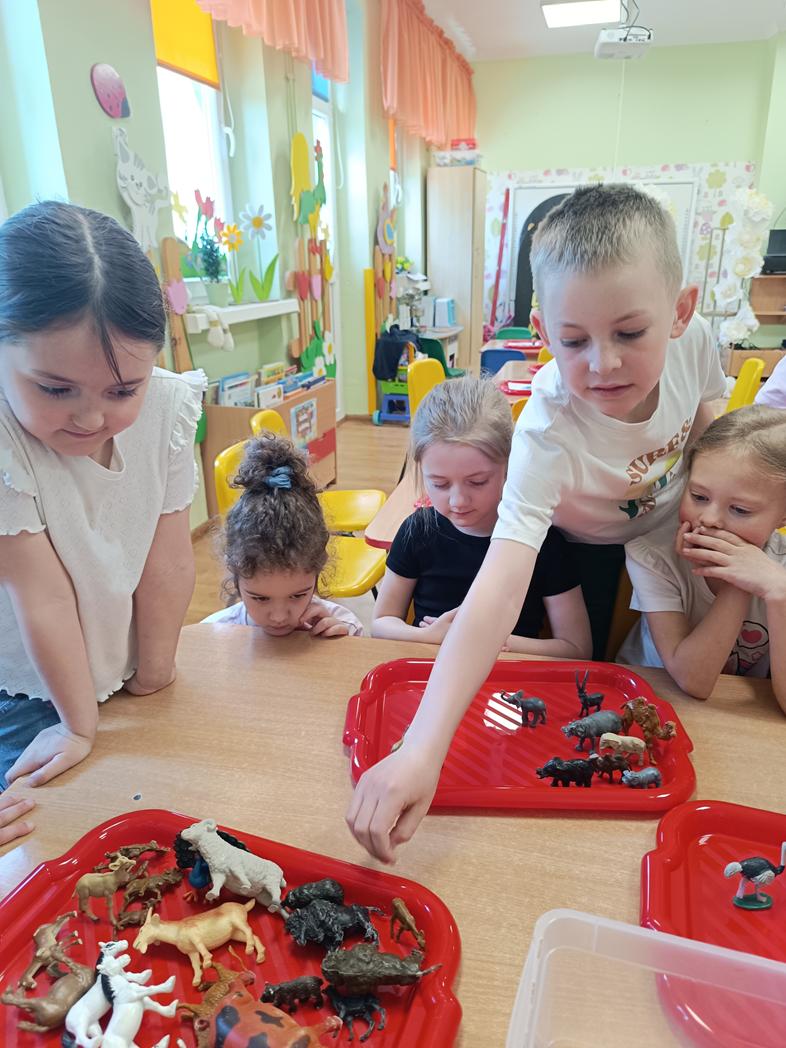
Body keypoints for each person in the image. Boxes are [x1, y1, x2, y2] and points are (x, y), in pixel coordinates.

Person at [346, 183, 726, 862]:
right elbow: (496, 588)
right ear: (543, 333)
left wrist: (710, 505)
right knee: (591, 682)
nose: (603, 363)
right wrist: (422, 751)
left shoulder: (697, 343)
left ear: (680, 311)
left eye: (630, 333)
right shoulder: (545, 431)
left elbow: (708, 420)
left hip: (675, 530)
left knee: (679, 690)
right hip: (585, 547)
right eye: (574, 340)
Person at [0, 200, 204, 801]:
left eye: (122, 391)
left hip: (121, 663)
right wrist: (77, 726)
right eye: (55, 389)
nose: (90, 418)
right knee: (48, 827)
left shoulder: (166, 405)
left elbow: (168, 559)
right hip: (28, 689)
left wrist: (156, 670)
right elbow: (41, 594)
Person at [372, 377, 590, 658]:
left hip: (513, 677)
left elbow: (577, 648)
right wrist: (427, 636)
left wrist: (492, 640)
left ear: (511, 464)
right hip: (426, 670)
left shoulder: (543, 541)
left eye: (477, 482)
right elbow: (381, 623)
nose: (458, 501)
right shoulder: (417, 532)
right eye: (439, 484)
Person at [618, 406, 786, 713]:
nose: (708, 518)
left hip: (732, 713)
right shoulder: (652, 555)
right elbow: (693, 680)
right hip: (645, 701)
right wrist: (738, 581)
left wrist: (779, 591)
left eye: (740, 510)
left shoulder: (781, 572)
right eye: (698, 496)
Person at [203, 434, 363, 638]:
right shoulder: (214, 634)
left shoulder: (347, 628)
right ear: (234, 575)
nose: (279, 617)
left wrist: (340, 647)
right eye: (260, 598)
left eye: (297, 596)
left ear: (318, 571)